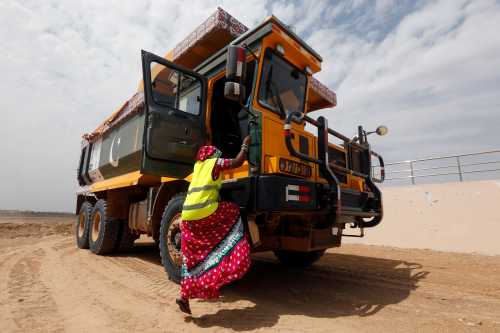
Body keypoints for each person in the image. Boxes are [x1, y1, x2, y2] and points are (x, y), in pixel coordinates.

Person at [175, 136, 252, 315]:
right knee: (233, 212)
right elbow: (238, 161)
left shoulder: (197, 166)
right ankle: (234, 248)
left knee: (191, 258)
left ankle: (184, 296)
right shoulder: (215, 163)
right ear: (212, 155)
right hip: (205, 211)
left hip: (187, 216)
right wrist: (245, 145)